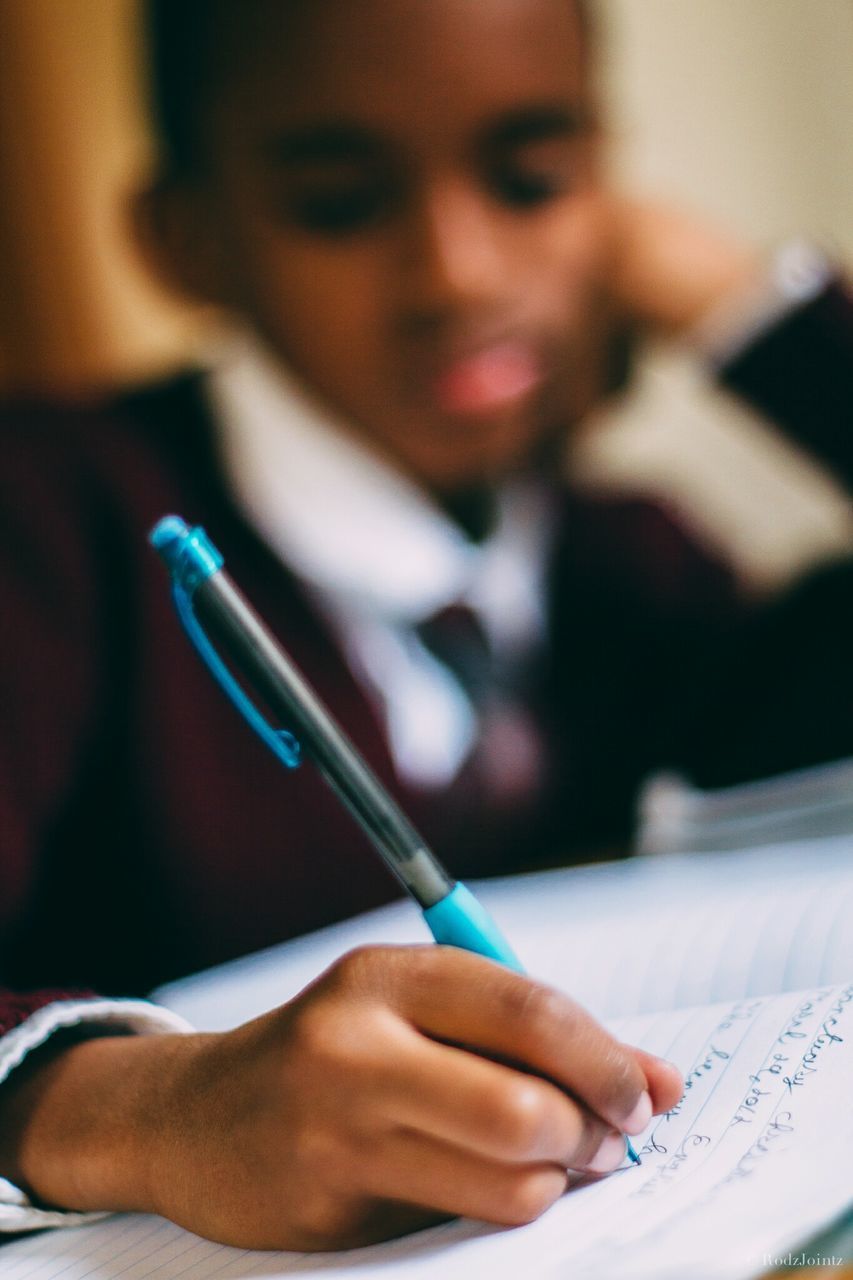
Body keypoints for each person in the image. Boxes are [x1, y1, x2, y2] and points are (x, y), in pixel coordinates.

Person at [0, 0, 851, 1253]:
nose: (458, 270)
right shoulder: (54, 522)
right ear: (183, 240)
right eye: (340, 203)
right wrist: (151, 1109)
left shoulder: (643, 566)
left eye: (531, 179)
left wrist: (749, 311)